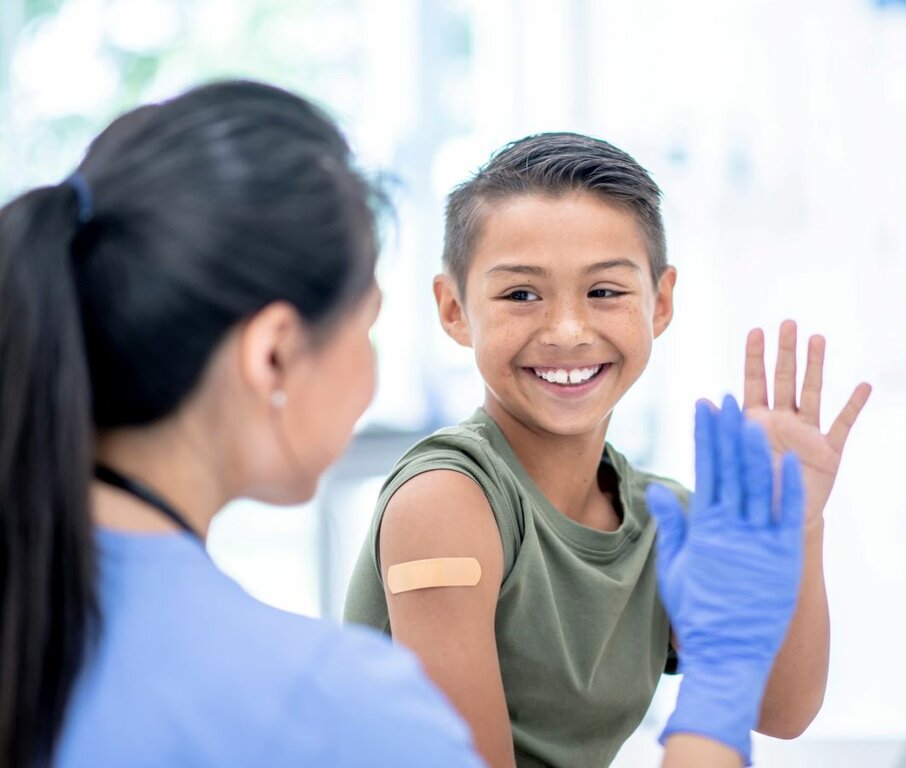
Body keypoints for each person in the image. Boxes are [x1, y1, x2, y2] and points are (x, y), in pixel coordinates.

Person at [0, 79, 802, 768]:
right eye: (367, 325)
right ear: (275, 355)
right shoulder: (323, 700)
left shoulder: (47, 620)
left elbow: (792, 700)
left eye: (604, 290)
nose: (566, 329)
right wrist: (715, 702)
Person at [344, 132, 872, 768]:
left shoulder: (661, 517)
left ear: (662, 301)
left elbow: (780, 709)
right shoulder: (445, 501)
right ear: (454, 309)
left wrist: (799, 523)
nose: (568, 331)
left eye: (605, 292)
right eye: (520, 294)